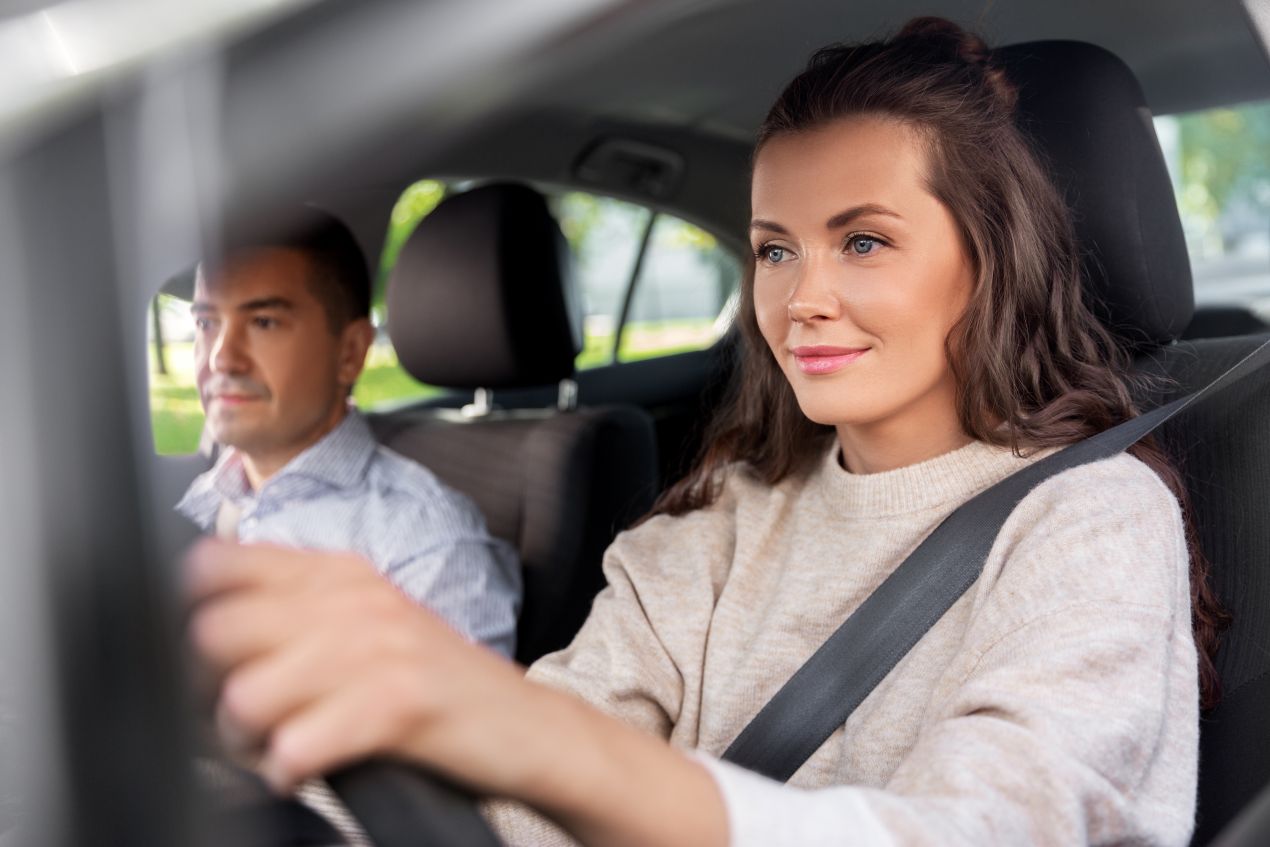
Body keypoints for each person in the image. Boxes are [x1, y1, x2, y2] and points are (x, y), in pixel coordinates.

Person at [185, 20, 1224, 846]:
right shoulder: (725, 514)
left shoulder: (1090, 520)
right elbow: (523, 800)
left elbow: (989, 830)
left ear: (990, 262)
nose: (801, 298)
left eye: (862, 240)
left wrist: (519, 732)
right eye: (775, 250)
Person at [177, 210, 520, 657]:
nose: (222, 359)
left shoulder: (424, 543)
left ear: (351, 352)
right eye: (207, 324)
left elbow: (465, 723)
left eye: (263, 322)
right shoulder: (201, 498)